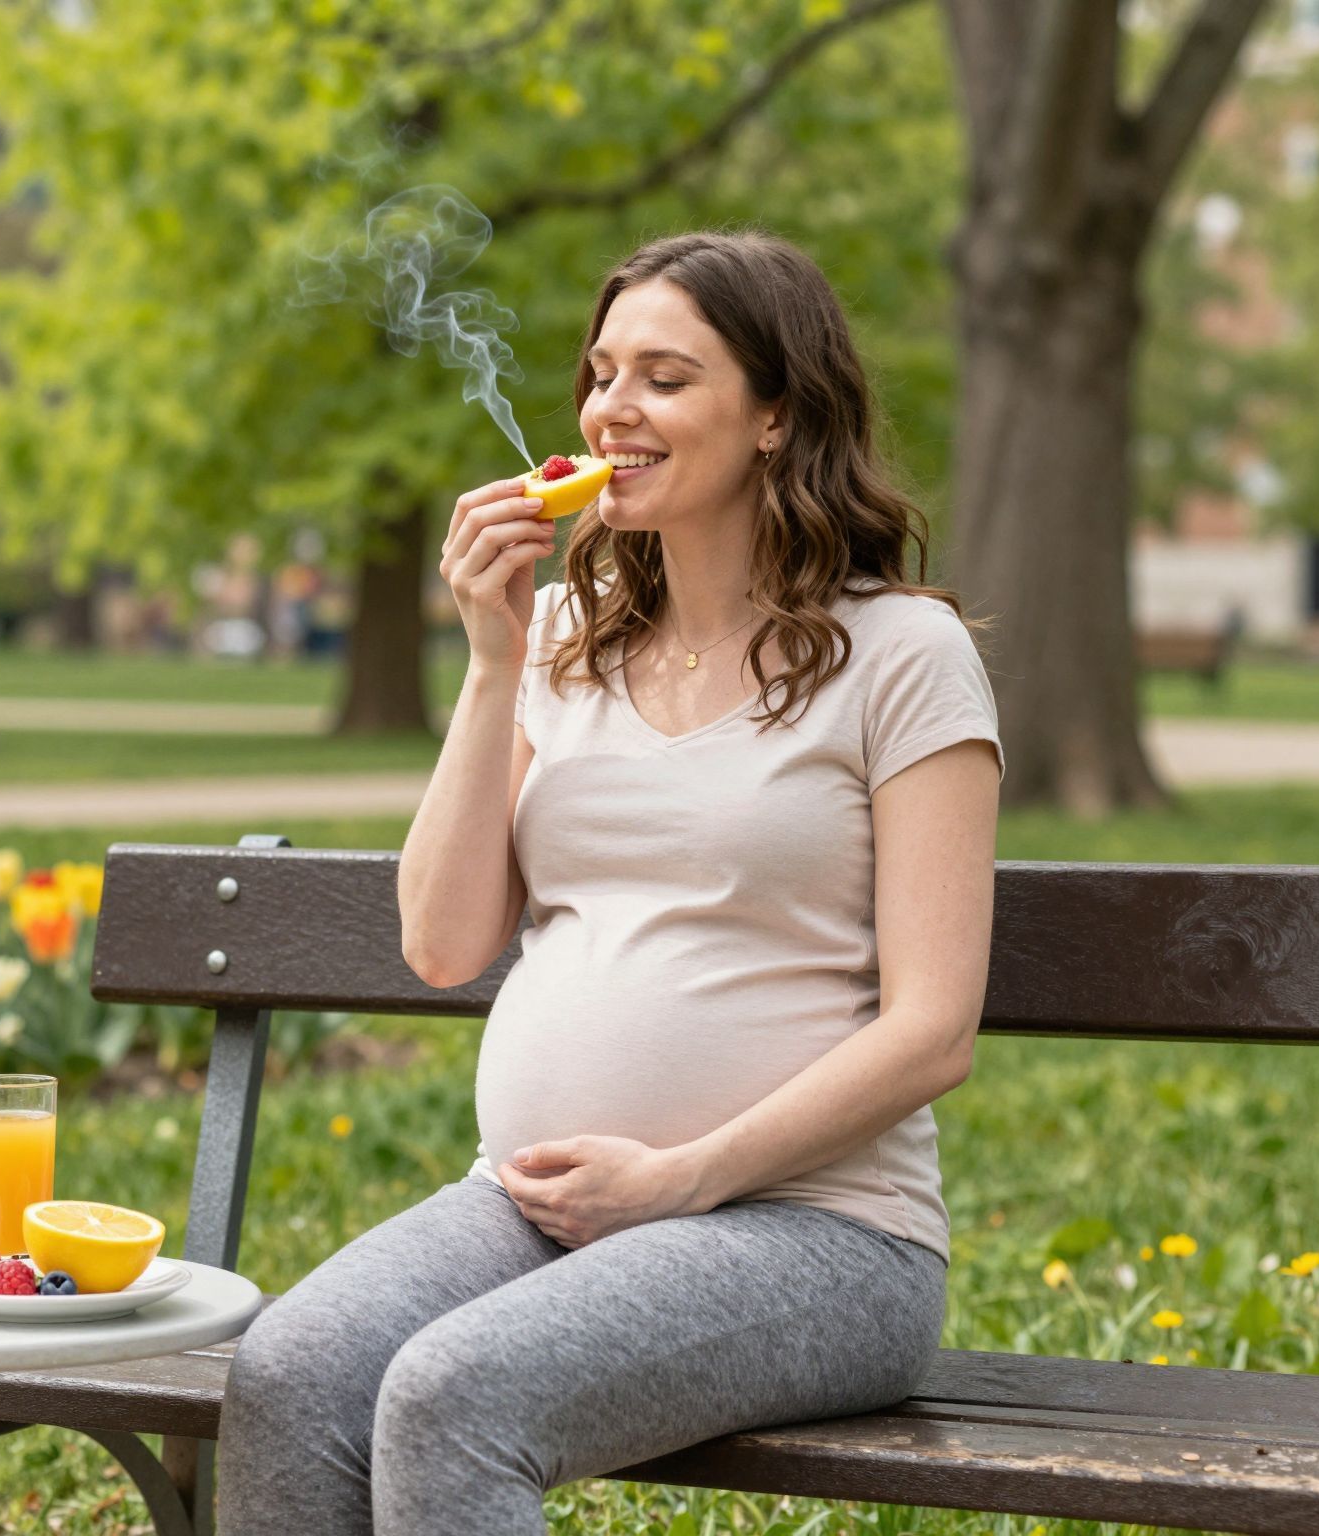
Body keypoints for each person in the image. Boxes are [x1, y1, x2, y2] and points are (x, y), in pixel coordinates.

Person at [215, 231, 1004, 1535]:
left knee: (453, 1396)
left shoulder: (900, 654)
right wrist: (491, 661)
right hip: (535, 1206)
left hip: (821, 1233)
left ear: (775, 414)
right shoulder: (563, 639)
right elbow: (442, 943)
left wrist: (683, 1175)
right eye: (600, 374)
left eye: (664, 378)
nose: (609, 409)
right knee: (292, 1373)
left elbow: (933, 1033)